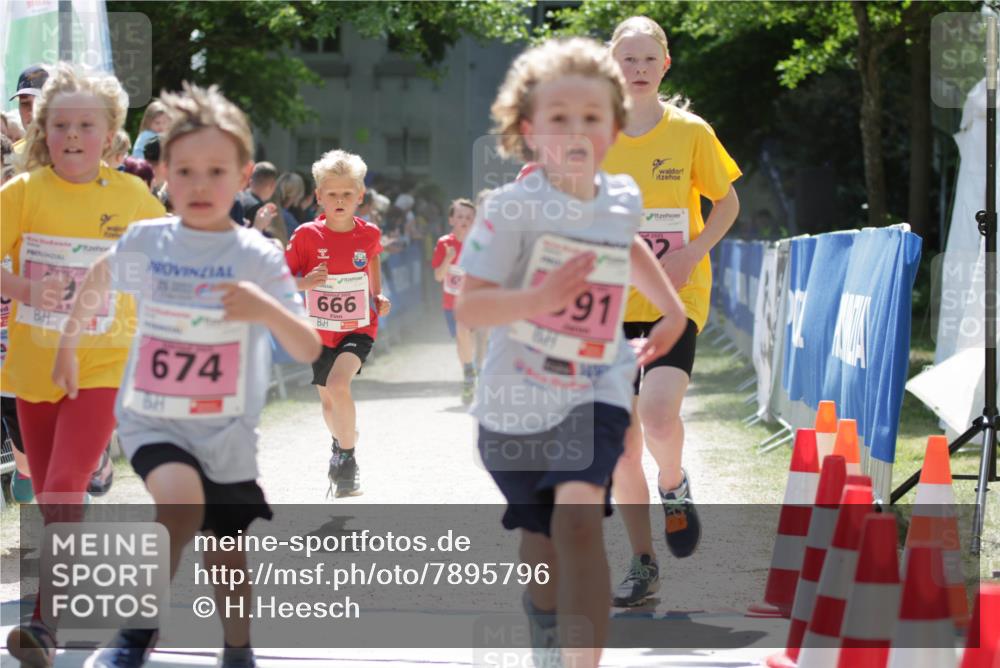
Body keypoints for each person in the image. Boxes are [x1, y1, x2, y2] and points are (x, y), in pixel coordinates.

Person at [53, 81, 321, 668]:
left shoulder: (256, 256)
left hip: (225, 431)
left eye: (216, 172)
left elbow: (307, 347)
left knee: (225, 551)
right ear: (164, 174)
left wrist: (265, 308)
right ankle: (133, 636)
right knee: (178, 507)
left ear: (243, 175)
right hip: (153, 418)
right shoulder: (149, 240)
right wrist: (68, 347)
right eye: (185, 172)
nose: (200, 186)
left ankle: (237, 650)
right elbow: (99, 276)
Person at [455, 37, 686, 668]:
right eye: (560, 118)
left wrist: (670, 308)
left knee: (579, 524)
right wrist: (538, 297)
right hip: (514, 401)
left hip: (593, 388)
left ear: (614, 127)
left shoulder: (621, 197)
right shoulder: (509, 210)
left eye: (592, 116)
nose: (578, 131)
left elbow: (626, 243)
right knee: (541, 539)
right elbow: (471, 308)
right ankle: (546, 624)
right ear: (529, 131)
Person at [1, 63, 166, 666]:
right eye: (61, 124)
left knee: (67, 482)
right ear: (43, 130)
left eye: (86, 125)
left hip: (104, 361)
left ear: (110, 132)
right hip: (35, 365)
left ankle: (43, 622)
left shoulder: (132, 198)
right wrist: (25, 288)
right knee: (51, 492)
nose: (73, 135)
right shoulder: (23, 193)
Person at [601, 15, 742, 607]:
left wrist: (690, 252)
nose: (637, 70)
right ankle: (642, 562)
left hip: (674, 296)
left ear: (665, 65)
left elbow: (727, 203)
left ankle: (674, 484)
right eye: (627, 59)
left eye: (647, 60)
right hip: (608, 303)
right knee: (622, 444)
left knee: (657, 417)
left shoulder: (691, 132)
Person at [285, 149, 390, 499]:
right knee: (329, 402)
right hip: (318, 332)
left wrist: (377, 295)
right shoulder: (305, 235)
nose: (340, 200)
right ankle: (342, 440)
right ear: (319, 196)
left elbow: (372, 261)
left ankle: (347, 464)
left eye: (347, 193)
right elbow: (281, 279)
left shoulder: (369, 233)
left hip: (359, 327)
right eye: (332, 194)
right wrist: (304, 283)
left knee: (338, 383)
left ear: (360, 195)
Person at [431, 198, 482, 403]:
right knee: (462, 342)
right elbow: (438, 276)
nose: (464, 221)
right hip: (450, 304)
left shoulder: (480, 243)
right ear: (451, 220)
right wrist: (448, 259)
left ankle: (473, 375)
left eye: (469, 217)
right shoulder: (445, 243)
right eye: (460, 216)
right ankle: (469, 376)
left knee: (467, 334)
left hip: (474, 302)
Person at [8, 65, 49, 157]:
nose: (32, 112)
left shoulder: (69, 152)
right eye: (25, 103)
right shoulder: (11, 156)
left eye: (39, 103)